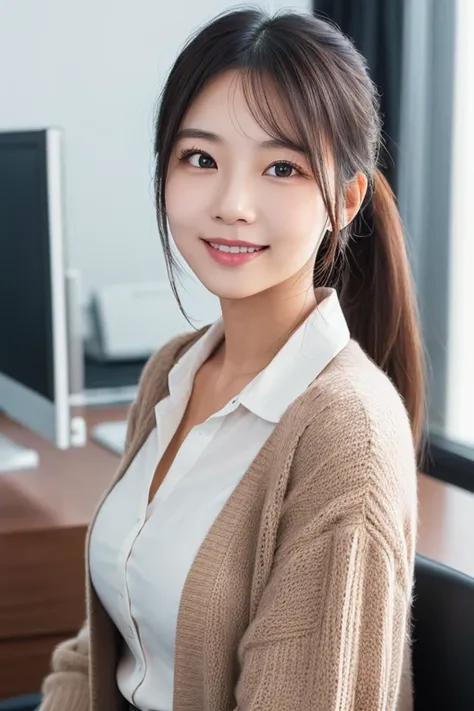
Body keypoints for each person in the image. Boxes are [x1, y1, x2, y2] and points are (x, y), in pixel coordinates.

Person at [38, 7, 425, 711]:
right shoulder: (174, 371)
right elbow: (101, 641)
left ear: (345, 200)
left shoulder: (347, 438)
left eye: (282, 167)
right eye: (201, 158)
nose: (233, 204)